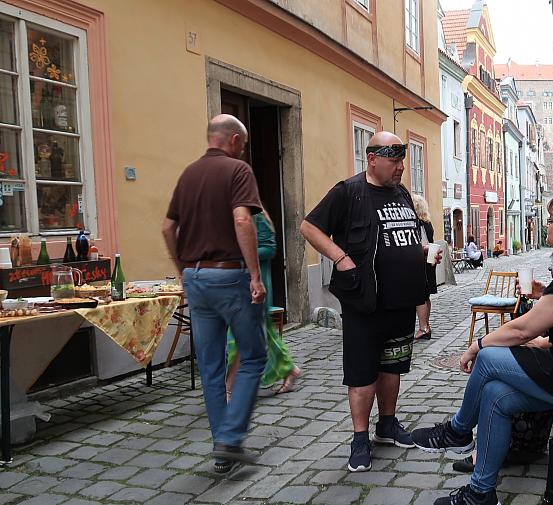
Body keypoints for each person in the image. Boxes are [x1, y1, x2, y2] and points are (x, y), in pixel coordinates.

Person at [410, 191, 553, 505]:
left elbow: (522, 330)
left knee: (489, 357)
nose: (547, 226)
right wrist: (546, 295)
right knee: (495, 395)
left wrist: (476, 345)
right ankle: (480, 493)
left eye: (552, 220)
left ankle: (458, 431)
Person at [299, 131, 440, 473]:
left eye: (402, 160)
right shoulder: (349, 192)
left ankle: (387, 424)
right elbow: (309, 227)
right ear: (372, 159)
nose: (401, 167)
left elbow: (401, 235)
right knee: (362, 370)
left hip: (402, 297)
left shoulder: (402, 193)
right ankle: (360, 438)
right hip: (365, 299)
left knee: (393, 365)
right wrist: (340, 257)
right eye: (394, 161)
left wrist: (421, 250)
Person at [162, 114, 267, 474]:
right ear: (234, 140)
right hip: (229, 276)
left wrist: (183, 270)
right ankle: (230, 439)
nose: (245, 150)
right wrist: (255, 275)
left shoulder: (188, 174)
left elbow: (167, 228)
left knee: (210, 367)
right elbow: (242, 220)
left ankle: (222, 452)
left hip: (196, 278)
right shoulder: (238, 170)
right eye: (244, 143)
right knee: (253, 357)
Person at [225, 208, 301, 396]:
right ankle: (290, 369)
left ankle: (230, 388)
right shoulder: (233, 214)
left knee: (238, 336)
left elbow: (269, 249)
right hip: (239, 283)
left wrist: (239, 253)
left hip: (256, 284)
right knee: (265, 334)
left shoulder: (257, 215)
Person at [412, 193, 436, 340]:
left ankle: (423, 328)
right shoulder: (428, 223)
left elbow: (421, 244)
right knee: (426, 296)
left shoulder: (418, 223)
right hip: (429, 262)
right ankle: (426, 325)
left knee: (420, 296)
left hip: (421, 262)